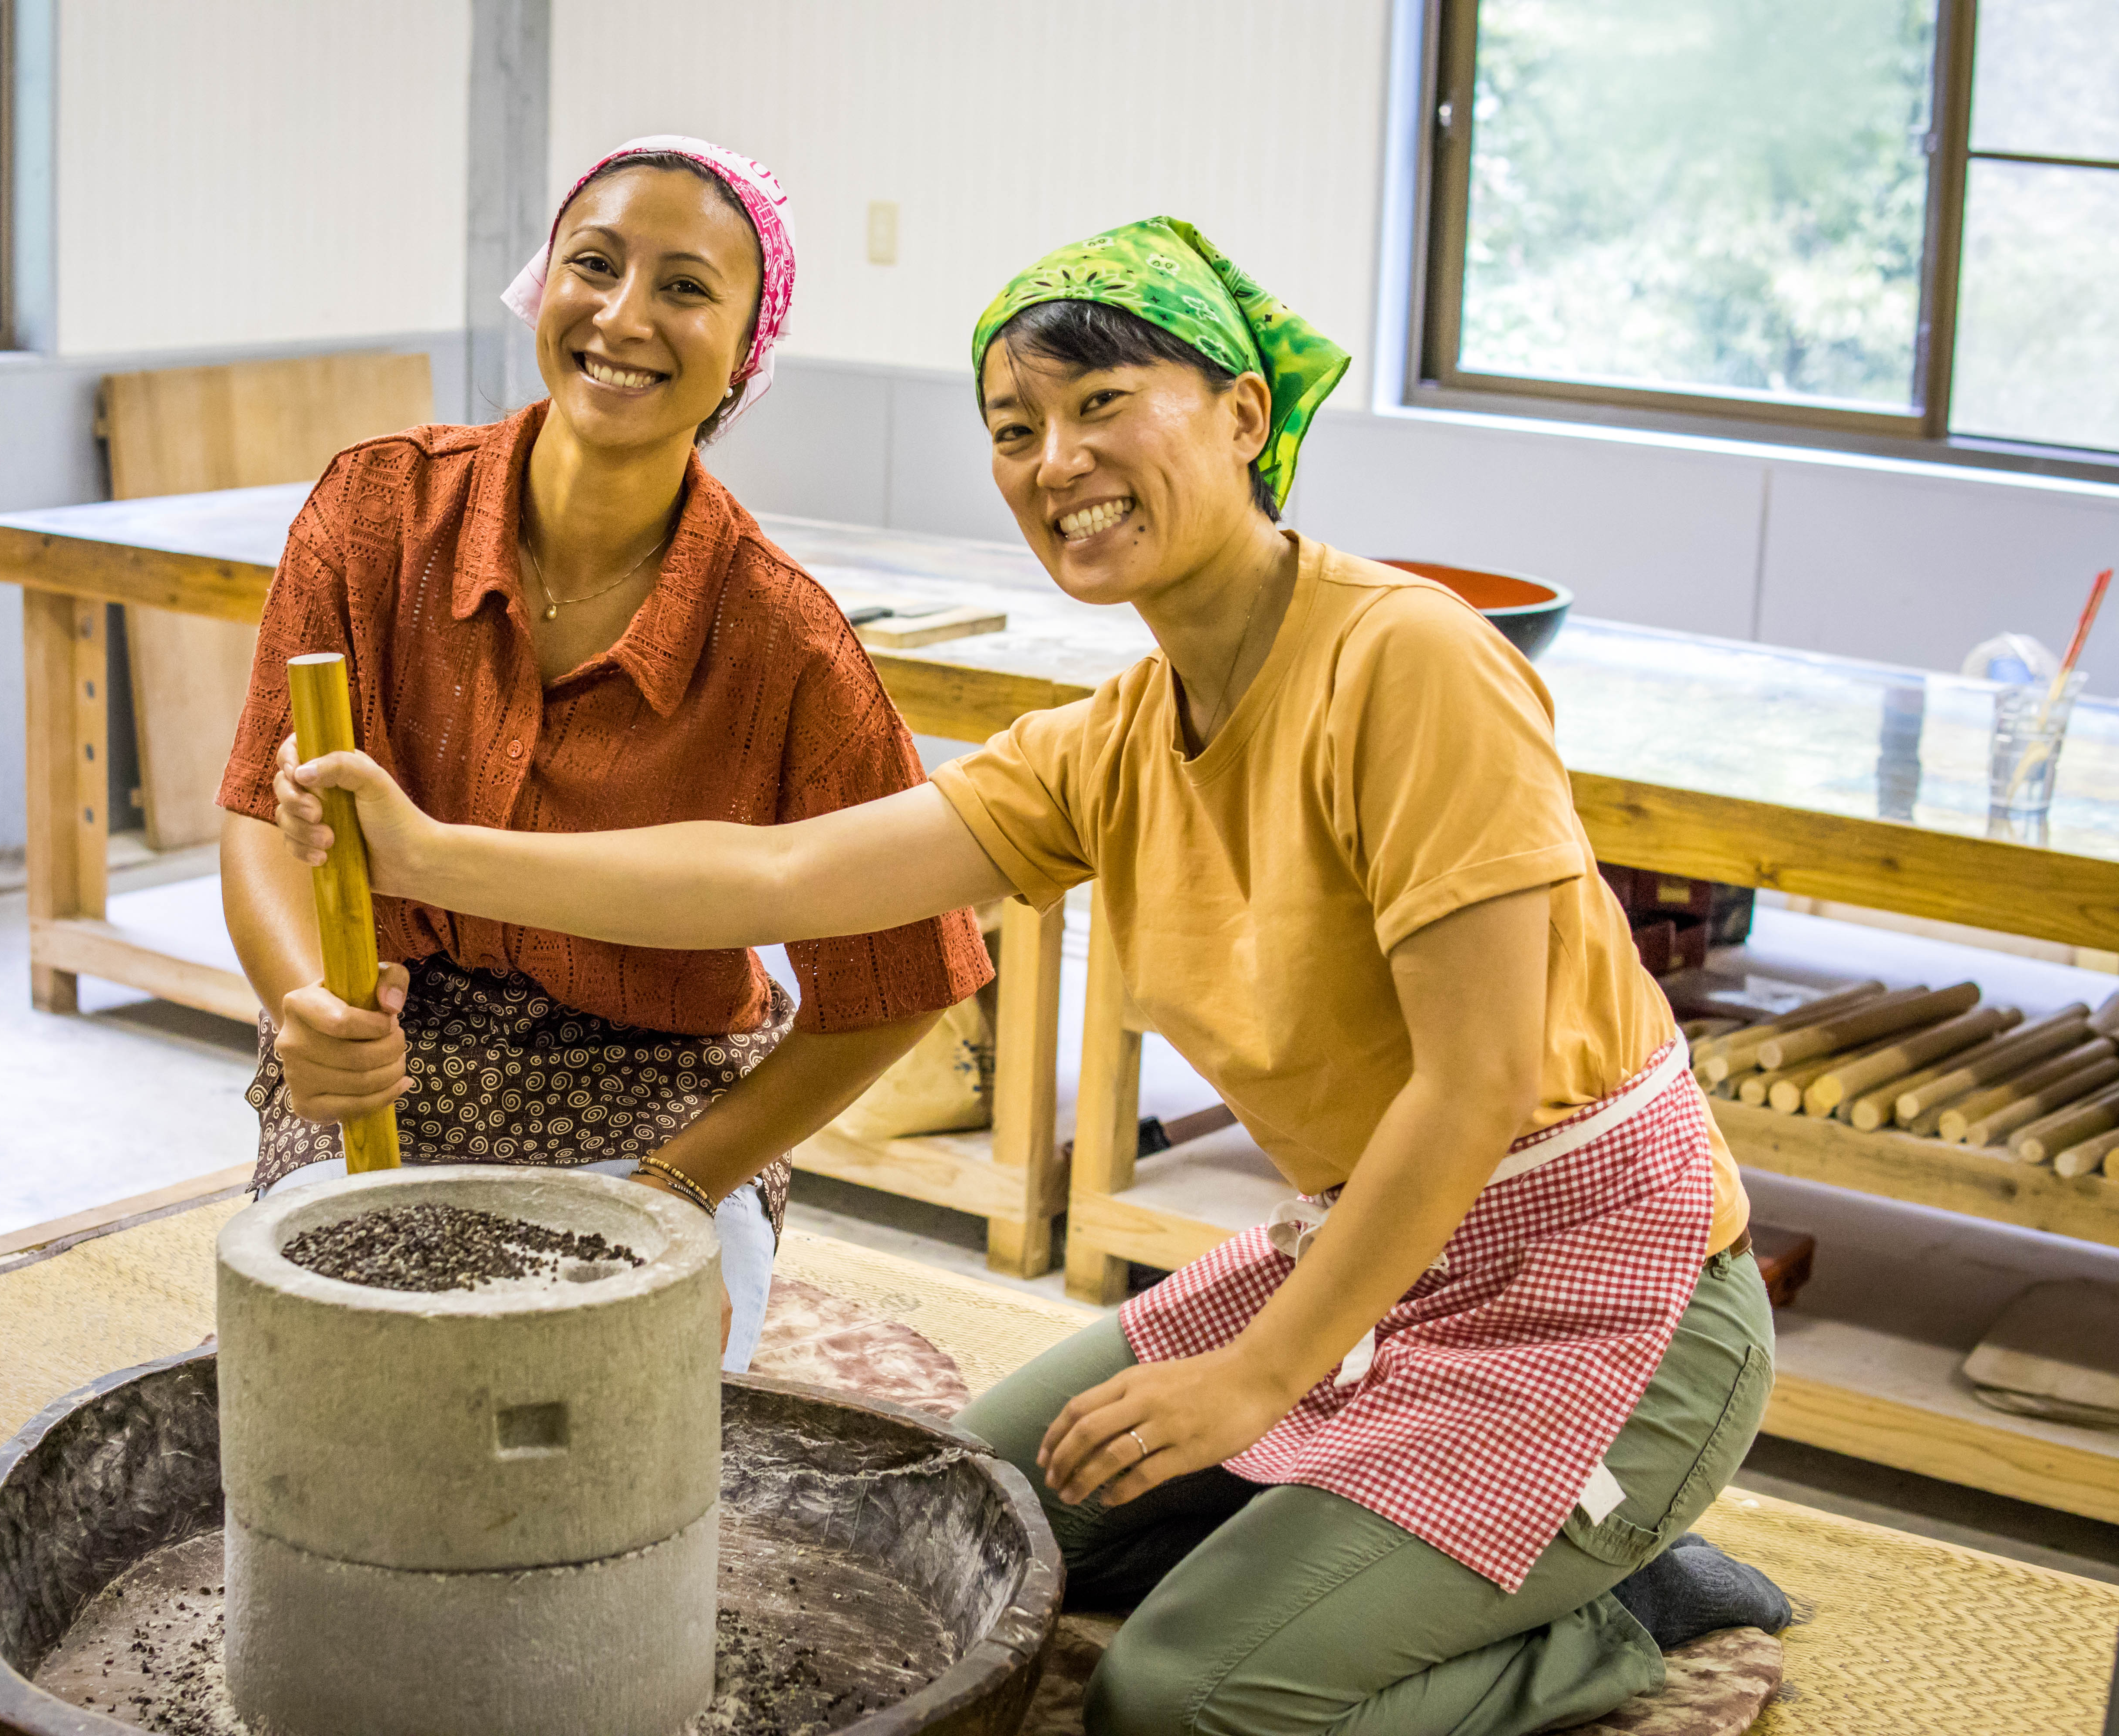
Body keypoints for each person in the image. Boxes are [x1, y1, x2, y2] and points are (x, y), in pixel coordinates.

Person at [267, 214, 1797, 1734]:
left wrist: (1258, 1378)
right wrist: (428, 856)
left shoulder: (1413, 659)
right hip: (1381, 1253)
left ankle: (1600, 1623)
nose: (1055, 459)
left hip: (1609, 1290)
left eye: (1102, 404)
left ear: (1246, 414)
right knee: (950, 1515)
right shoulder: (1119, 736)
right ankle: (1365, 1531)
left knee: (1182, 1700)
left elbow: (1473, 1090)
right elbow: (780, 872)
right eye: (1016, 428)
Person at [217, 136, 991, 1374]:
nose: (625, 318)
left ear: (749, 352)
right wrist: (306, 996)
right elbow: (265, 803)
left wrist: (683, 1182)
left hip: (660, 1084)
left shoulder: (781, 638)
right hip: (396, 1053)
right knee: (345, 1390)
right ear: (544, 284)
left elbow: (906, 979)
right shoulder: (377, 512)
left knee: (616, 1419)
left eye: (687, 288)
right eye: (596, 264)